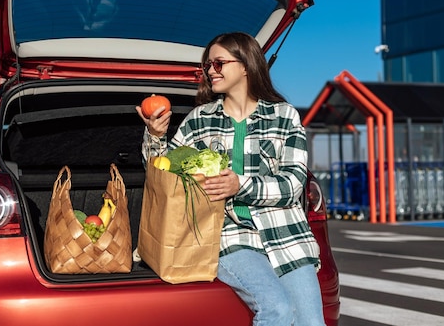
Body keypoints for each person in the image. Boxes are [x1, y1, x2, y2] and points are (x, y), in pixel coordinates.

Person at [136, 32, 324, 326]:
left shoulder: (285, 116)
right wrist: (156, 138)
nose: (211, 71)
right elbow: (164, 176)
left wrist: (241, 185)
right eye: (208, 65)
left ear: (246, 65)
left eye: (219, 63)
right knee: (277, 310)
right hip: (228, 237)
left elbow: (293, 183)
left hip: (286, 236)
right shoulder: (199, 120)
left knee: (311, 323)